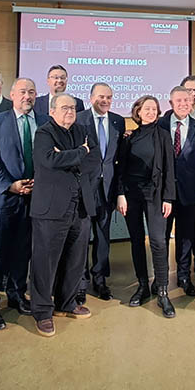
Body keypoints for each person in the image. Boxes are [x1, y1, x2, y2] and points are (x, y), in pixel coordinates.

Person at [29, 93, 101, 337]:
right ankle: (42, 311)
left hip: (80, 206)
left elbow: (94, 161)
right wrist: (81, 152)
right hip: (51, 209)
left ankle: (66, 303)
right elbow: (48, 160)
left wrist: (70, 155)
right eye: (64, 107)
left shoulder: (83, 130)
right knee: (45, 262)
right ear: (52, 111)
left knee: (75, 260)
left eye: (72, 107)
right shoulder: (44, 133)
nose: (69, 111)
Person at [0, 78, 38, 330]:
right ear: (12, 94)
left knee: (22, 251)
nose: (28, 96)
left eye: (32, 92)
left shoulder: (43, 121)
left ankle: (16, 294)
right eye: (23, 91)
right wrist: (10, 184)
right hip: (2, 197)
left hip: (33, 197)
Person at [116, 95, 176, 317]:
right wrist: (120, 194)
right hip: (131, 195)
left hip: (156, 196)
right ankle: (142, 285)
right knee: (136, 240)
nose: (151, 112)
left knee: (159, 242)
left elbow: (170, 169)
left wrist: (168, 198)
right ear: (138, 112)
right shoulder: (129, 137)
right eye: (146, 108)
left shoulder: (163, 136)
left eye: (154, 108)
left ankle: (162, 291)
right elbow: (120, 169)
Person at [75, 82, 125, 302]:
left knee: (103, 236)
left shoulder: (118, 121)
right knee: (82, 237)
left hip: (108, 188)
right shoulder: (79, 119)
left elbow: (119, 158)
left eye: (109, 97)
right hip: (84, 187)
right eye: (101, 97)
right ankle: (80, 281)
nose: (105, 101)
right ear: (91, 97)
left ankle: (100, 279)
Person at [160, 86, 195, 296]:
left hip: (190, 191)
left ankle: (183, 277)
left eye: (187, 101)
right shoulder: (160, 125)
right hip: (164, 193)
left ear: (192, 103)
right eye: (178, 100)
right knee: (161, 237)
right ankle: (161, 280)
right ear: (170, 103)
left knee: (186, 236)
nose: (183, 104)